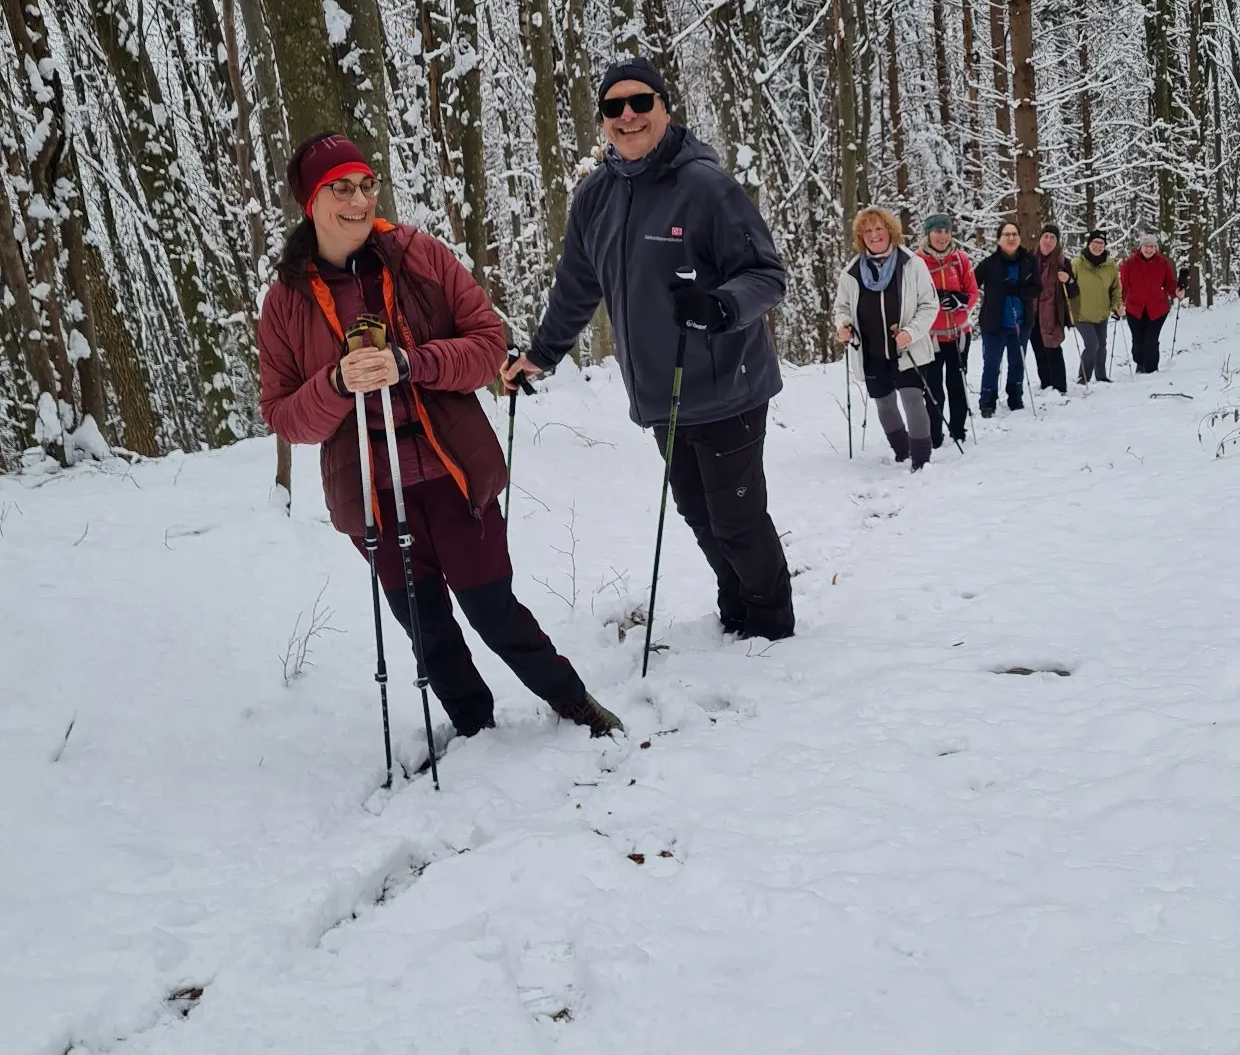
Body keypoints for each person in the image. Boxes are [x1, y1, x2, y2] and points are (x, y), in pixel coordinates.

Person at [258, 132, 621, 742]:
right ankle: (474, 729)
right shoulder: (286, 303)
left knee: (493, 609)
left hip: (453, 474)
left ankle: (571, 700)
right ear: (310, 203)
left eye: (366, 185)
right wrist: (336, 383)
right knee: (425, 627)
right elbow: (284, 416)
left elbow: (486, 348)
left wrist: (410, 363)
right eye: (340, 189)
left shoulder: (418, 256)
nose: (359, 201)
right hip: (372, 493)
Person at [503, 61, 794, 642]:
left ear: (665, 107)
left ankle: (770, 624)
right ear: (603, 120)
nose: (628, 116)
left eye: (640, 102)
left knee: (736, 517)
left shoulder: (707, 187)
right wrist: (542, 353)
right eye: (613, 107)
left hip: (728, 384)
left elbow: (767, 275)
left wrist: (720, 305)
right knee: (698, 512)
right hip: (663, 392)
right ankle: (736, 604)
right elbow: (576, 287)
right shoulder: (594, 197)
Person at [835, 208, 940, 470]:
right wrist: (843, 325)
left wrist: (911, 332)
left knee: (912, 399)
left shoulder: (911, 264)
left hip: (907, 348)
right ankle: (902, 452)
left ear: (890, 230)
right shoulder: (852, 272)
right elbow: (842, 308)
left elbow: (929, 305)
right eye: (867, 231)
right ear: (861, 237)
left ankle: (921, 460)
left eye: (879, 229)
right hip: (871, 351)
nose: (874, 235)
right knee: (884, 404)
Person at [916, 212, 979, 449]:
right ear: (928, 234)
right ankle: (934, 435)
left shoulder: (960, 259)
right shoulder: (917, 262)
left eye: (946, 231)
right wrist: (934, 300)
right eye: (937, 231)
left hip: (958, 334)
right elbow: (911, 298)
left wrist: (960, 300)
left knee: (957, 384)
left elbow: (973, 293)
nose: (942, 237)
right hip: (930, 338)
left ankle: (958, 430)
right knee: (933, 389)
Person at [974, 220, 1039, 416]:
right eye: (1006, 235)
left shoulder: (1029, 261)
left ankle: (1015, 398)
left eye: (1014, 234)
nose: (1011, 238)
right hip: (994, 325)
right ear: (998, 240)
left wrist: (1019, 291)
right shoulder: (989, 264)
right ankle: (987, 401)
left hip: (1021, 323)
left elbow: (1037, 289)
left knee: (1017, 363)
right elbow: (971, 285)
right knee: (992, 364)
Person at [1119, 230, 1183, 374]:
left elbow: (1170, 283)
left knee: (1151, 340)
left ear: (1156, 248)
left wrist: (1176, 292)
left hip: (1157, 308)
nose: (1148, 249)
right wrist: (1120, 303)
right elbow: (1124, 286)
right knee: (1138, 341)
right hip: (1135, 308)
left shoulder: (1163, 263)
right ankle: (1140, 363)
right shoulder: (1129, 264)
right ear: (1141, 247)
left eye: (1152, 246)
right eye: (1146, 246)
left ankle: (1152, 370)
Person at [1030, 227, 1077, 395]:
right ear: (1040, 238)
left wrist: (1068, 279)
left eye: (1053, 238)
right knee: (1038, 349)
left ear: (1057, 242)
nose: (1048, 240)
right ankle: (1046, 384)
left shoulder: (1062, 262)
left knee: (1053, 348)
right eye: (1046, 236)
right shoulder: (1029, 260)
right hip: (1033, 312)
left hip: (1053, 313)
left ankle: (1059, 386)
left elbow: (1074, 291)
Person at [1070, 229, 1122, 384]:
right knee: (1092, 345)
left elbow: (1115, 288)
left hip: (1101, 313)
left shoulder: (1110, 266)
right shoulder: (1077, 263)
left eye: (1101, 243)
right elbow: (1067, 286)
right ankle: (1083, 377)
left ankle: (1101, 376)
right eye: (1095, 242)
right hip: (1081, 313)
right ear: (1089, 243)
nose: (1098, 246)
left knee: (1102, 345)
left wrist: (1117, 305)